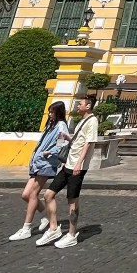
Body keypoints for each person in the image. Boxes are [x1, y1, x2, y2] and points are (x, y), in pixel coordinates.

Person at [36, 95, 99, 249]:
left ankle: (71, 234)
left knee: (72, 202)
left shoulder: (92, 121)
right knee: (48, 195)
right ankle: (53, 228)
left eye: (80, 104)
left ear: (88, 106)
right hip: (67, 166)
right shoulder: (81, 121)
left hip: (77, 168)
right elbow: (79, 141)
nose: (77, 106)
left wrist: (79, 163)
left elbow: (88, 144)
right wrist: (67, 138)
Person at [10, 102, 70, 241]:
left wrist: (49, 152)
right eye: (49, 112)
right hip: (38, 163)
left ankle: (27, 228)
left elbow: (62, 144)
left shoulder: (61, 125)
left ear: (58, 113)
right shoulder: (51, 125)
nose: (49, 114)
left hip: (47, 163)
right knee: (25, 194)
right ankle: (46, 217)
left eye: (52, 112)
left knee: (32, 194)